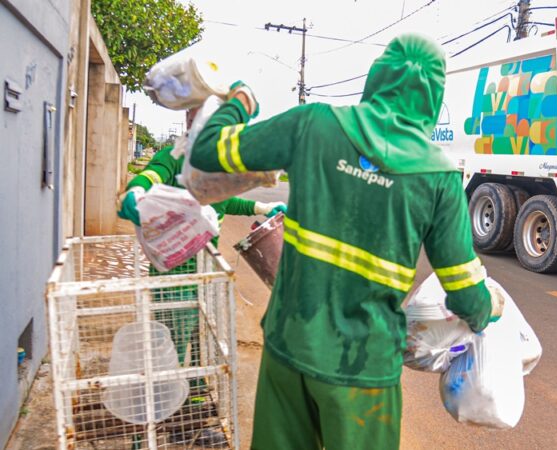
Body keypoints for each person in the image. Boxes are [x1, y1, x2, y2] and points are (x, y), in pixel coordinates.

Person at [189, 34, 504, 450]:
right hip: (364, 373)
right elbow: (464, 293)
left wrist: (240, 100)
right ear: (433, 97)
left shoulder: (313, 124)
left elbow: (208, 151)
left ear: (376, 79)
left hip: (289, 349)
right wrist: (488, 310)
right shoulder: (438, 177)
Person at [117, 106, 285, 447]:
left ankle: (191, 410)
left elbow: (224, 202)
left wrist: (262, 208)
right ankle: (151, 427)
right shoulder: (174, 157)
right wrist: (134, 190)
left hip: (204, 274)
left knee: (201, 344)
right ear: (191, 126)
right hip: (173, 277)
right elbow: (151, 175)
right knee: (170, 349)